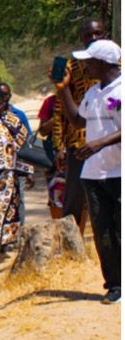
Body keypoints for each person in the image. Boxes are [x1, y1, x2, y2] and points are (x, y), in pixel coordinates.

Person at [56, 38, 121, 304]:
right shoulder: (94, 92)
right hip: (94, 174)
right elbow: (76, 119)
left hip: (119, 172)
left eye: (89, 61)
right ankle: (115, 285)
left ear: (103, 63)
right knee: (103, 231)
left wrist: (97, 144)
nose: (84, 65)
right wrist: (62, 90)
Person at [53, 19, 109, 228]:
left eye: (98, 33)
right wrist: (59, 145)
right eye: (88, 35)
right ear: (81, 38)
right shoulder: (72, 66)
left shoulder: (118, 63)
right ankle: (71, 246)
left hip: (114, 140)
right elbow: (60, 109)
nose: (93, 38)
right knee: (75, 197)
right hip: (80, 142)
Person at [0, 88, 35, 254]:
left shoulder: (13, 121)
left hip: (9, 173)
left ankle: (6, 243)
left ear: (5, 104)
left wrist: (28, 172)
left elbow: (25, 148)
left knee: (10, 209)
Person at [36, 94, 65, 219]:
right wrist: (57, 116)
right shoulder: (50, 102)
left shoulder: (83, 98)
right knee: (56, 196)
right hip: (55, 157)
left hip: (77, 154)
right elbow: (42, 131)